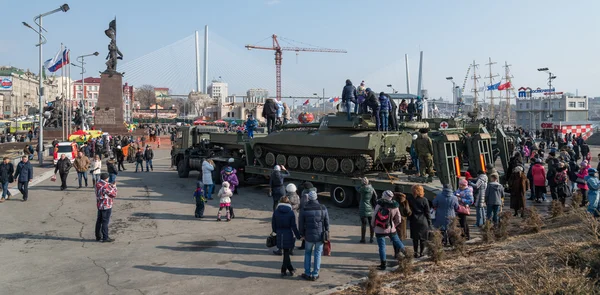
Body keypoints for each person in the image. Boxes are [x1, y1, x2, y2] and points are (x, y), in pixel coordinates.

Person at [372, 190, 407, 270]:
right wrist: (394, 225)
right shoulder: (395, 205)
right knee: (397, 242)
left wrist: (373, 225)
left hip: (379, 228)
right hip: (391, 228)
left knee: (382, 247)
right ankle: (407, 254)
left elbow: (374, 215)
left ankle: (383, 264)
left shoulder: (379, 204)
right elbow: (399, 219)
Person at [298, 190, 329, 280]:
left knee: (307, 253)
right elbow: (327, 222)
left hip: (308, 235)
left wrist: (301, 234)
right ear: (316, 198)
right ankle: (315, 274)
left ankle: (307, 273)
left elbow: (301, 223)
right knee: (318, 254)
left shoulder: (304, 208)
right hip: (320, 235)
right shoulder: (323, 208)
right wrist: (327, 231)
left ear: (308, 198)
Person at [272, 196, 301, 277]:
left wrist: (276, 231)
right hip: (288, 234)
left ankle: (290, 269)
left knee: (286, 253)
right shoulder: (291, 212)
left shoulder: (276, 212)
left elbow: (273, 225)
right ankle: (283, 270)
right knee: (286, 253)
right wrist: (298, 236)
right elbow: (294, 226)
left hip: (279, 233)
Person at [408, 185, 431, 258]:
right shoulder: (424, 200)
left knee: (415, 239)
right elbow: (427, 212)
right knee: (422, 238)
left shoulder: (410, 199)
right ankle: (421, 252)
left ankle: (415, 252)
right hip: (423, 221)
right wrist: (429, 223)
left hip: (413, 221)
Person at [95, 172, 118, 243]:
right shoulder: (105, 186)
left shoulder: (98, 183)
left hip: (100, 204)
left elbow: (104, 187)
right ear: (106, 178)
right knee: (105, 222)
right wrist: (114, 186)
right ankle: (105, 237)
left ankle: (98, 236)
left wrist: (110, 185)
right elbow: (113, 194)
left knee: (99, 221)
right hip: (106, 205)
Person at [357, 177, 376, 243]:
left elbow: (356, 187)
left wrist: (361, 183)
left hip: (363, 208)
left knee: (363, 224)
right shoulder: (372, 188)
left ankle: (363, 239)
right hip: (370, 208)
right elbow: (375, 197)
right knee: (371, 224)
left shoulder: (362, 189)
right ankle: (371, 238)